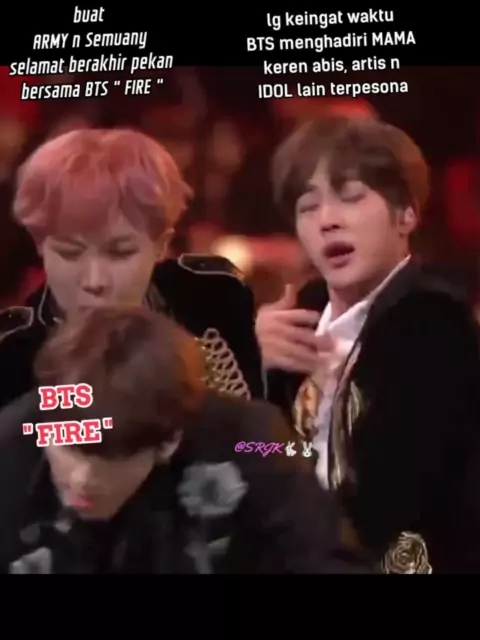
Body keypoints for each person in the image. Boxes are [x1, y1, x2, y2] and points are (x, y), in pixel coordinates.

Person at [255, 114, 480, 573]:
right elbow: (252, 456)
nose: (327, 221)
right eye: (308, 207)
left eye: (351, 198)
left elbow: (386, 495)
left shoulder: (434, 324)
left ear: (407, 214)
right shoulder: (297, 318)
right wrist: (250, 367)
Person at [0, 306, 364, 574]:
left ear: (169, 441)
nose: (81, 477)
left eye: (109, 457)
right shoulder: (10, 446)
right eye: (68, 446)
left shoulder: (250, 439)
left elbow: (326, 559)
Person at [0, 128, 264, 409]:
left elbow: (268, 429)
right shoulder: (11, 356)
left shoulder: (218, 299)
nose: (95, 281)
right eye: (70, 253)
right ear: (40, 244)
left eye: (120, 253)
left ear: (161, 244)